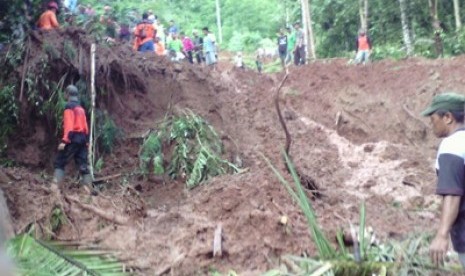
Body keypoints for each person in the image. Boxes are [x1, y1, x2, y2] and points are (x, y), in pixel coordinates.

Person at [421, 92, 465, 269]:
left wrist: (442, 234)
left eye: (433, 119)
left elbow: (453, 194)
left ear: (448, 117)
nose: (432, 125)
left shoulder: (452, 145)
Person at [53, 85, 92, 186]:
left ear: (67, 94)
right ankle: (89, 190)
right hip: (83, 139)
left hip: (73, 138)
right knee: (83, 165)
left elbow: (69, 127)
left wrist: (64, 141)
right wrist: (87, 142)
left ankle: (56, 188)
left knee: (59, 161)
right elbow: (85, 127)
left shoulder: (69, 107)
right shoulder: (81, 108)